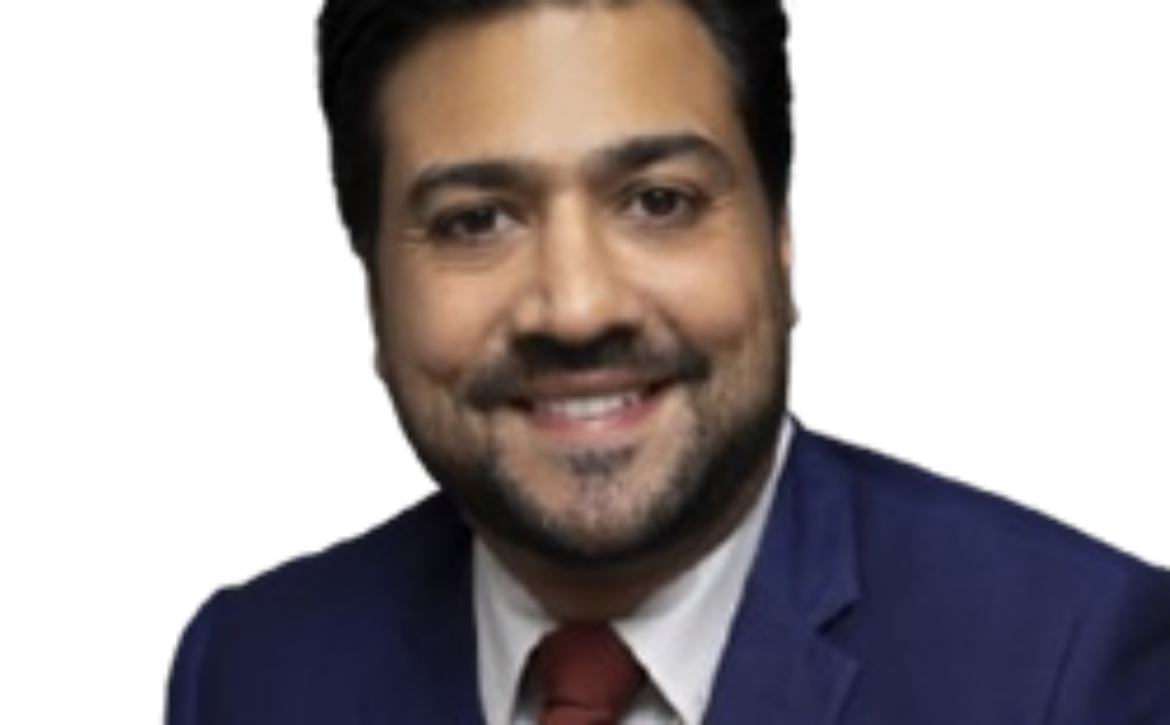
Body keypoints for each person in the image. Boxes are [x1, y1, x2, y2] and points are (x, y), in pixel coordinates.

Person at [162, 1, 1170, 723]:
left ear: (784, 242)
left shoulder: (1068, 661)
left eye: (659, 201)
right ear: (374, 296)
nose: (577, 306)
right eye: (476, 220)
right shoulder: (246, 669)